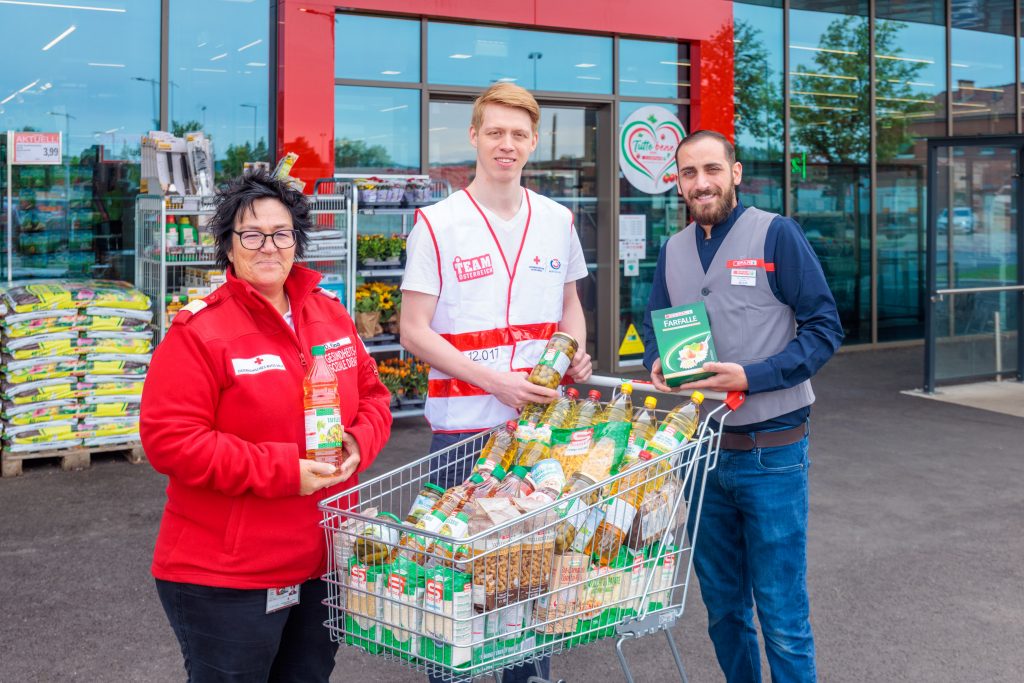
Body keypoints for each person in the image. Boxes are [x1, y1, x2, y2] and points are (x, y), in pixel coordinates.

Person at [141, 170, 392, 682]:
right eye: (252, 235)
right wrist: (282, 470)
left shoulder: (329, 315)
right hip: (229, 576)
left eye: (281, 233)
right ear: (228, 245)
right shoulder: (199, 332)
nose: (269, 247)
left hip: (324, 562)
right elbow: (172, 441)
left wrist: (358, 441)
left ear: (297, 241)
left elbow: (374, 396)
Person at [400, 82, 593, 682]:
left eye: (518, 134)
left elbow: (570, 305)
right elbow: (413, 330)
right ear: (474, 136)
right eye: (495, 132)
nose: (506, 144)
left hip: (538, 441)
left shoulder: (558, 220)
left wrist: (575, 351)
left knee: (529, 591)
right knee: (454, 593)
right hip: (462, 436)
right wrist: (496, 383)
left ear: (534, 142)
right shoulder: (437, 224)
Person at [642, 130, 843, 683]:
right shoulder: (673, 250)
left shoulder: (776, 234)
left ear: (734, 173)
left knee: (782, 615)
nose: (701, 182)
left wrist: (752, 376)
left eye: (712, 169)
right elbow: (653, 321)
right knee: (724, 611)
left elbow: (824, 328)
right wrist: (656, 360)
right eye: (688, 173)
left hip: (771, 453)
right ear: (677, 183)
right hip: (701, 456)